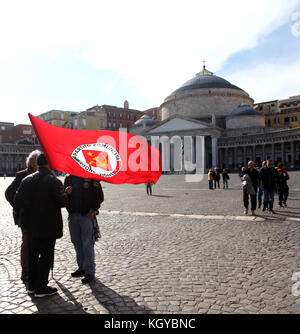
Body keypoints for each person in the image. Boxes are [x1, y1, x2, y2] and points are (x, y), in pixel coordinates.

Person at [14, 153, 68, 297]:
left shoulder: (26, 180)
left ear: (38, 164)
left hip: (31, 225)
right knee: (45, 256)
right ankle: (41, 287)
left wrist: (19, 220)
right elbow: (62, 202)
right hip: (48, 226)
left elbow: (17, 200)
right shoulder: (54, 181)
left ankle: (31, 285)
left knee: (32, 255)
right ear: (49, 164)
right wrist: (66, 193)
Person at [5, 149, 40, 283]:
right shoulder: (22, 176)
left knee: (38, 244)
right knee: (27, 244)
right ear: (31, 162)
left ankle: (36, 271)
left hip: (40, 217)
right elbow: (8, 193)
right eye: (36, 160)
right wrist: (19, 208)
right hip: (26, 217)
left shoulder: (42, 174)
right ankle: (26, 272)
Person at [64, 175, 104, 284]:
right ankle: (81, 267)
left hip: (86, 215)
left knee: (87, 243)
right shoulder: (68, 178)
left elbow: (99, 196)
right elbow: (63, 198)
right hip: (73, 215)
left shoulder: (90, 177)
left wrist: (93, 209)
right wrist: (66, 193)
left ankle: (90, 271)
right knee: (77, 242)